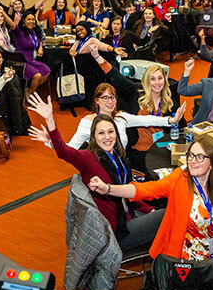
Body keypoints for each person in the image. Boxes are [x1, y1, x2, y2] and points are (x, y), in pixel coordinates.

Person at [88, 128, 213, 261]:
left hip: (212, 255)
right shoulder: (179, 179)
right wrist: (109, 189)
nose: (193, 160)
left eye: (200, 157)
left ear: (212, 163)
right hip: (182, 259)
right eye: (191, 156)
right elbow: (143, 190)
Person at [26, 95, 159, 248]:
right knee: (165, 216)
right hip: (114, 232)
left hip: (128, 214)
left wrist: (149, 210)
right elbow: (64, 152)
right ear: (94, 137)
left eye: (110, 132)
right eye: (101, 133)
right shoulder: (88, 158)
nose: (107, 137)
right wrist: (50, 119)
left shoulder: (119, 156)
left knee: (160, 207)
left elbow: (128, 191)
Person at [67, 83, 181, 150]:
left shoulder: (120, 117)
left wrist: (170, 120)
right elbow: (71, 148)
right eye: (105, 98)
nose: (110, 102)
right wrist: (51, 139)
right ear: (97, 101)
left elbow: (145, 119)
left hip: (121, 166)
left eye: (112, 97)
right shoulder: (88, 121)